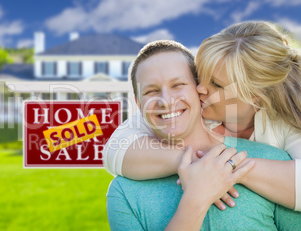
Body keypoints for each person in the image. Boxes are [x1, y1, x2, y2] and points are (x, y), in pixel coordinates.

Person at [104, 21, 301, 210]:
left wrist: (226, 167)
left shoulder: (286, 122)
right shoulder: (194, 108)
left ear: (255, 97)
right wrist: (194, 162)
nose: (199, 88)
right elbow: (116, 150)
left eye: (216, 84)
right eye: (201, 76)